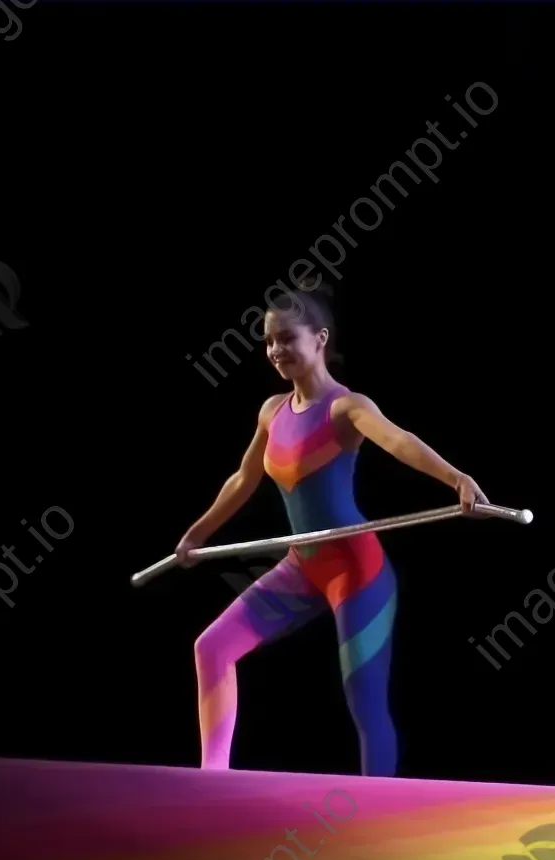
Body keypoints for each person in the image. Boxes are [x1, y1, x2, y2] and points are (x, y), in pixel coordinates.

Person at [175, 285, 487, 776]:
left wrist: (457, 478)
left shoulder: (347, 408)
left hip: (358, 572)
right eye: (268, 342)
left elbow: (398, 440)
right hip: (303, 567)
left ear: (319, 338)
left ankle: (377, 814)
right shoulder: (272, 411)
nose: (276, 351)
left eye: (286, 338)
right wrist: (196, 535)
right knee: (211, 647)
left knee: (364, 701)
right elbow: (244, 478)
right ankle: (213, 780)